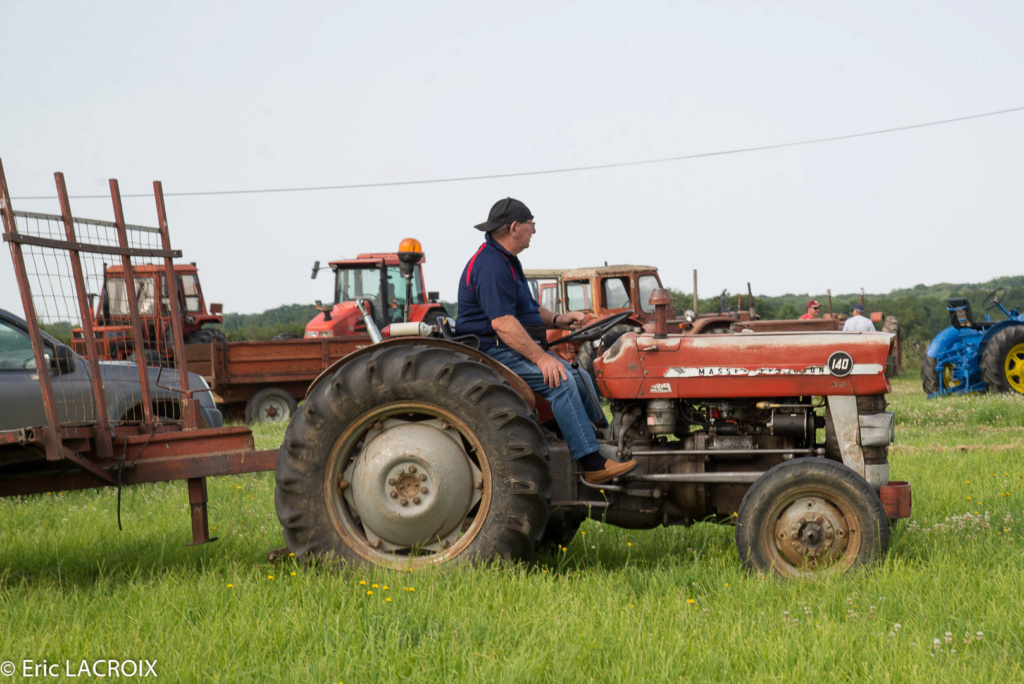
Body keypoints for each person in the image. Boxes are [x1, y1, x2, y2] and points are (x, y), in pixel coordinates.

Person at [457, 198, 638, 485]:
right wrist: (542, 359)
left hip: (503, 345)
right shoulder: (490, 265)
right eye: (532, 224)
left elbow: (526, 309)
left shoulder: (507, 260)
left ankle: (605, 440)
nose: (535, 231)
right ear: (514, 227)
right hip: (492, 350)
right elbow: (502, 323)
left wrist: (557, 320)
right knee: (560, 379)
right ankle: (591, 462)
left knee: (578, 374)